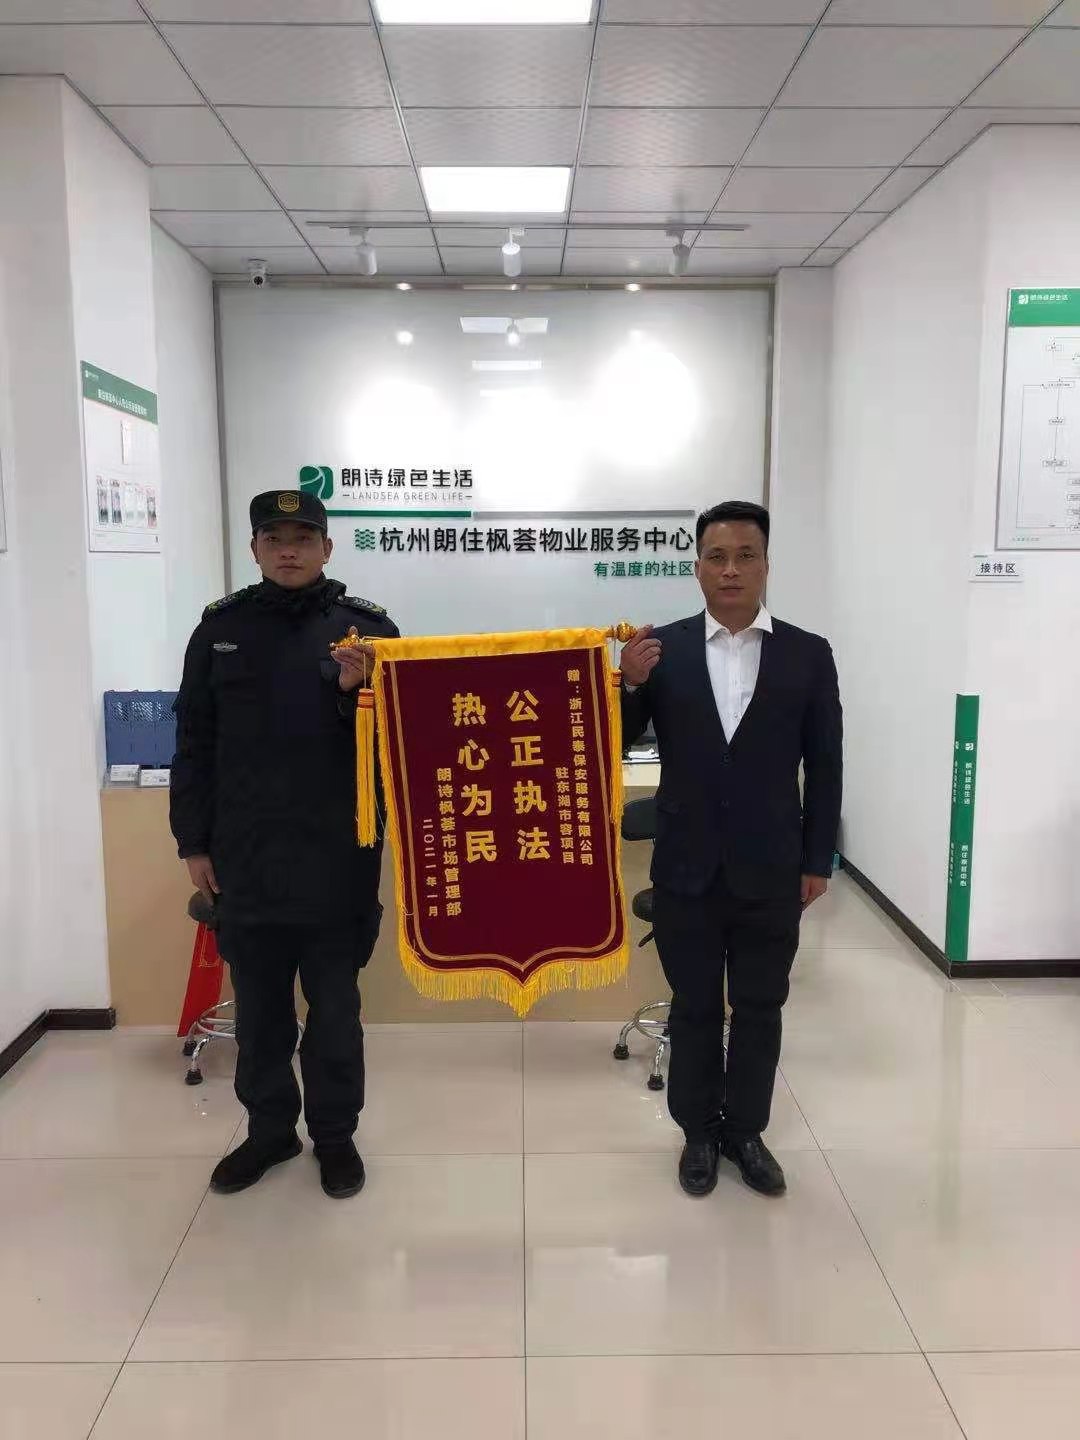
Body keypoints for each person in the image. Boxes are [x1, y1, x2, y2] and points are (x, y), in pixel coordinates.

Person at [170, 490, 398, 1199]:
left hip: (338, 858)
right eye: (275, 538)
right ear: (255, 549)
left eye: (304, 537)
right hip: (246, 859)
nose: (289, 549)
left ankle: (335, 1137)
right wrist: (193, 842)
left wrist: (356, 693)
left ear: (328, 547)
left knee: (335, 1014)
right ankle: (270, 1132)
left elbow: (399, 743)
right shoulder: (220, 630)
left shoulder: (370, 632)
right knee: (262, 1016)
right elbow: (193, 743)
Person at [619, 500, 842, 1199]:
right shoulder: (663, 650)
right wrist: (628, 685)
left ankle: (746, 1132)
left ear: (766, 564)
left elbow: (826, 764)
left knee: (760, 1006)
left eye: (746, 555)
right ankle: (697, 1132)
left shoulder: (807, 654)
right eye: (717, 557)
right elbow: (615, 741)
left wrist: (818, 859)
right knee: (693, 1007)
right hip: (687, 865)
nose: (731, 570)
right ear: (697, 568)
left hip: (772, 866)